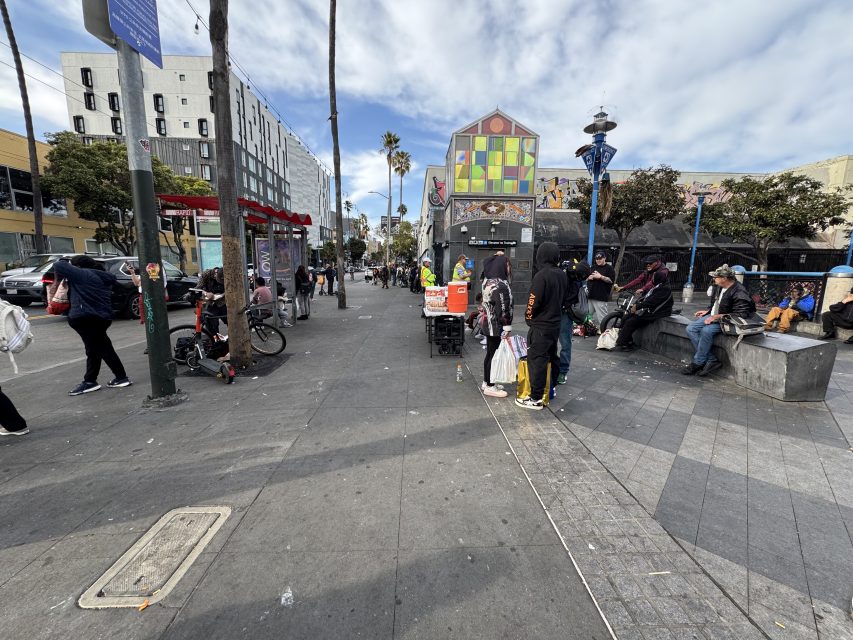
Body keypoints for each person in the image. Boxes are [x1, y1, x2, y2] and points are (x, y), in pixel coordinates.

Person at [54, 255, 132, 395]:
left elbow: (59, 266)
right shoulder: (102, 276)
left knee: (102, 349)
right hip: (101, 317)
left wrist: (64, 259)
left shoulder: (83, 274)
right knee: (95, 349)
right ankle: (91, 380)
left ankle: (119, 378)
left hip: (86, 318)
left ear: (77, 267)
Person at [517, 242, 566, 410]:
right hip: (555, 324)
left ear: (541, 256)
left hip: (540, 326)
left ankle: (536, 398)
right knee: (552, 356)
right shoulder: (561, 274)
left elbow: (533, 301)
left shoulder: (541, 275)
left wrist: (529, 318)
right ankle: (550, 388)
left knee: (537, 360)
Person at [683, 264, 755, 377]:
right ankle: (711, 359)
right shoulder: (719, 286)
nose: (714, 279)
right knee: (691, 328)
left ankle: (698, 362)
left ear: (724, 278)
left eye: (716, 277)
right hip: (714, 316)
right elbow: (716, 304)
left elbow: (742, 313)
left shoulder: (739, 292)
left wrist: (717, 317)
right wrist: (707, 312)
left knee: (706, 331)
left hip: (727, 321)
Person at [614, 270, 673, 351]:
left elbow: (652, 301)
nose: (652, 279)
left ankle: (623, 344)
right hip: (649, 309)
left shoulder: (664, 289)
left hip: (657, 312)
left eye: (654, 277)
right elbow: (647, 298)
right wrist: (636, 304)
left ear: (658, 278)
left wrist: (637, 306)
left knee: (631, 322)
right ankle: (627, 341)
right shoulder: (659, 285)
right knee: (625, 317)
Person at [557, 260, 590, 385]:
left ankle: (563, 371)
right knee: (551, 341)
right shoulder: (565, 272)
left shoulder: (579, 279)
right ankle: (553, 367)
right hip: (555, 310)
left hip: (566, 312)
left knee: (565, 342)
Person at [481, 277, 513, 398]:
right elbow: (503, 307)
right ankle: (490, 385)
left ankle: (487, 381)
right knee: (493, 354)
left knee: (490, 353)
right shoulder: (500, 285)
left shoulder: (489, 282)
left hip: (489, 322)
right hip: (495, 325)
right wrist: (507, 325)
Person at [587, 251, 616, 326]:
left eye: (600, 258)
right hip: (590, 296)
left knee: (602, 319)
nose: (598, 260)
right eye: (597, 259)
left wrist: (601, 277)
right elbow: (586, 278)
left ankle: (605, 333)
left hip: (601, 297)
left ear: (604, 258)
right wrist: (588, 278)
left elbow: (611, 281)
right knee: (587, 316)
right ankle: (588, 330)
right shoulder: (593, 267)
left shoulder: (609, 268)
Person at [198, 266, 227, 334]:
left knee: (229, 320)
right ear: (215, 274)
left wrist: (222, 294)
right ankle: (215, 340)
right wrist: (206, 293)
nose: (221, 283)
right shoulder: (206, 274)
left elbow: (230, 288)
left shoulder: (226, 273)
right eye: (220, 280)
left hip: (223, 302)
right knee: (213, 323)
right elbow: (198, 288)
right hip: (210, 302)